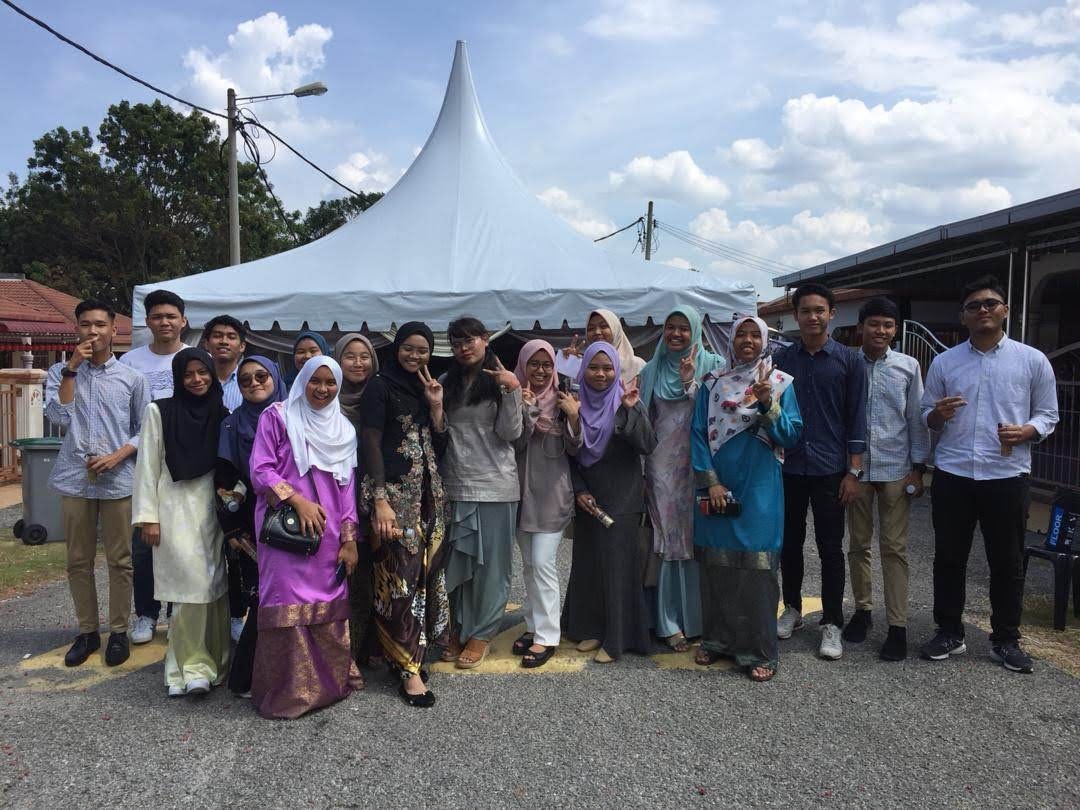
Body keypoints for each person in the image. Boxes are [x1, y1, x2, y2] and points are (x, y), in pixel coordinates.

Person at [919, 276, 1058, 674]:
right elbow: (926, 415)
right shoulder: (945, 362)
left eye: (990, 303)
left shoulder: (1032, 360)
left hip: (1007, 474)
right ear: (963, 316)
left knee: (1007, 561)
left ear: (1005, 310)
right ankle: (950, 631)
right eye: (974, 305)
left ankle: (1005, 639)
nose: (983, 310)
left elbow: (1048, 414)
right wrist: (937, 415)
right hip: (954, 473)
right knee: (949, 558)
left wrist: (1027, 431)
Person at [249, 356, 363, 718]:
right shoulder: (278, 417)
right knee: (286, 605)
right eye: (316, 380)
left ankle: (330, 685)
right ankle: (289, 693)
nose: (323, 389)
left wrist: (349, 539)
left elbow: (347, 489)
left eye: (331, 383)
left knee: (328, 606)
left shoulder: (344, 430)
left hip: (328, 534)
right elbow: (260, 469)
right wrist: (297, 500)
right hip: (285, 530)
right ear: (302, 380)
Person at [691, 316, 801, 681]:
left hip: (760, 488)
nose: (748, 341)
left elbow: (791, 436)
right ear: (731, 340)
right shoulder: (711, 384)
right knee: (717, 566)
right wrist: (711, 483)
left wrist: (768, 403)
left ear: (765, 341)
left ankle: (759, 651)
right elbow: (697, 434)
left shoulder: (780, 383)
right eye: (742, 334)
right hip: (718, 485)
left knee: (758, 569)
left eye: (756, 335)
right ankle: (717, 639)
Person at [46, 300, 151, 668]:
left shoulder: (133, 379)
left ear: (113, 330)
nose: (93, 331)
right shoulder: (60, 373)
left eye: (100, 324)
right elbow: (59, 417)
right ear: (77, 328)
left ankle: (118, 631)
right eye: (85, 324)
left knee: (120, 560)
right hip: (75, 478)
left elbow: (145, 430)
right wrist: (71, 369)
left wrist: (117, 456)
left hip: (117, 478)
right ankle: (88, 631)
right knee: (78, 560)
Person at [772, 283, 867, 661]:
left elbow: (857, 417)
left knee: (830, 548)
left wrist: (854, 472)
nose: (813, 317)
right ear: (795, 316)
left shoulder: (849, 361)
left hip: (830, 469)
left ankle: (832, 622)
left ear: (831, 314)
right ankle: (792, 609)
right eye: (806, 311)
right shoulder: (781, 360)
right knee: (789, 543)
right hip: (789, 466)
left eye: (819, 310)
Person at [358, 322, 450, 708]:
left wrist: (436, 406)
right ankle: (409, 670)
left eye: (422, 350)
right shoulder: (380, 386)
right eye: (408, 348)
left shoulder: (425, 388)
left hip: (429, 499)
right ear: (396, 348)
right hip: (394, 500)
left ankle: (410, 654)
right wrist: (380, 500)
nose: (415, 356)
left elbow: (440, 445)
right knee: (398, 583)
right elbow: (371, 441)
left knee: (423, 581)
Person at [132, 348, 230, 696]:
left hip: (212, 510)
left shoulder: (221, 412)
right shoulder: (159, 411)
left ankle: (216, 660)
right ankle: (186, 668)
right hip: (174, 509)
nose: (196, 380)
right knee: (190, 590)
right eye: (188, 374)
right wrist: (148, 517)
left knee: (214, 589)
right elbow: (147, 466)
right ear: (178, 377)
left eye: (202, 372)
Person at [843, 298, 931, 661]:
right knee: (858, 544)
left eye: (888, 325)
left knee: (894, 549)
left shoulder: (908, 366)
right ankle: (862, 611)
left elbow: (916, 418)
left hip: (897, 469)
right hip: (858, 471)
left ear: (896, 330)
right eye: (874, 323)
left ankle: (897, 626)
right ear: (861, 326)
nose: (881, 331)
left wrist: (919, 467)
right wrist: (847, 470)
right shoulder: (848, 363)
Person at [561, 341, 657, 663]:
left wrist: (630, 410)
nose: (601, 374)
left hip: (622, 496)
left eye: (607, 368)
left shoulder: (627, 400)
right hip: (589, 494)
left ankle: (617, 639)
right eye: (593, 367)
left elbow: (647, 444)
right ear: (583, 369)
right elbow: (568, 455)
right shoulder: (575, 404)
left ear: (617, 370)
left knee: (617, 567)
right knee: (588, 564)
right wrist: (578, 490)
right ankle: (591, 628)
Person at [639, 306, 726, 652]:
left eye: (683, 328)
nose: (676, 334)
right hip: (661, 469)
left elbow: (719, 415)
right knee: (667, 539)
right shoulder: (651, 370)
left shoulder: (714, 366)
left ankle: (699, 619)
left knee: (696, 537)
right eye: (670, 327)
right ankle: (667, 621)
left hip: (700, 467)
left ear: (695, 331)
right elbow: (643, 422)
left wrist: (691, 383)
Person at [441, 317, 524, 670]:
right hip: (455, 482)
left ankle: (483, 632)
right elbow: (440, 432)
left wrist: (512, 389)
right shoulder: (446, 382)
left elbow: (511, 433)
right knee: (457, 564)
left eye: (469, 340)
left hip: (495, 485)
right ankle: (459, 627)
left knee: (491, 568)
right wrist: (434, 405)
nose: (463, 348)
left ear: (485, 339)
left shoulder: (500, 380)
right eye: (456, 343)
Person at [120, 289, 188, 646]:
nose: (165, 322)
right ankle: (146, 613)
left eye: (171, 316)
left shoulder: (195, 358)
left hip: (182, 466)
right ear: (147, 321)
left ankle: (177, 612)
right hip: (141, 464)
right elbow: (125, 416)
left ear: (183, 321)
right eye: (158, 316)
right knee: (144, 544)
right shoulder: (130, 362)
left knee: (179, 543)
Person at [215, 356, 286, 697]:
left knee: (289, 598)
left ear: (275, 378)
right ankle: (247, 675)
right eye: (245, 380)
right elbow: (225, 478)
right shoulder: (232, 425)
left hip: (293, 521)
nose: (254, 383)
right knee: (261, 597)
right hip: (251, 524)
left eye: (261, 376)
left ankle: (289, 670)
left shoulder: (294, 417)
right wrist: (232, 529)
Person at [510, 340, 582, 669]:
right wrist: (526, 410)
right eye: (534, 363)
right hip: (520, 493)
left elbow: (576, 447)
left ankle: (548, 635)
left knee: (542, 563)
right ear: (523, 365)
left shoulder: (565, 399)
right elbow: (514, 442)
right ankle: (533, 625)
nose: (540, 370)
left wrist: (574, 416)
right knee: (528, 564)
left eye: (547, 364)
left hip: (553, 495)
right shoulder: (513, 397)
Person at [333, 333, 382, 669]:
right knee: (345, 578)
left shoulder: (381, 396)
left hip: (376, 499)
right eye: (349, 356)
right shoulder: (325, 400)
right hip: (337, 500)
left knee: (374, 576)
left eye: (365, 356)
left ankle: (369, 647)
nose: (358, 363)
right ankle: (341, 654)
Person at [558, 309, 646, 385]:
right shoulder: (583, 366)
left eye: (604, 326)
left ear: (616, 330)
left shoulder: (638, 366)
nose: (597, 332)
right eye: (591, 328)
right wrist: (569, 363)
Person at [203, 315, 247, 413]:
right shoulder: (197, 382)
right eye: (217, 336)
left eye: (231, 337)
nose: (224, 341)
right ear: (206, 343)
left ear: (242, 346)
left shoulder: (250, 383)